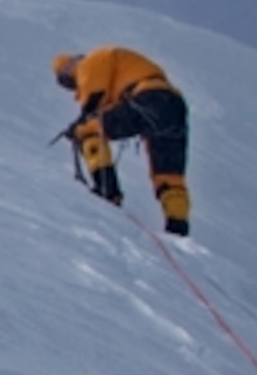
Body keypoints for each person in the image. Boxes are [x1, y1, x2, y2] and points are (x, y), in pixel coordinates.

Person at [55, 46, 191, 236]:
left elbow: (94, 98)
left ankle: (107, 189)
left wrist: (79, 125)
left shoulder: (91, 62)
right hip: (172, 105)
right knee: (168, 174)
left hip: (147, 98)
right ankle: (178, 224)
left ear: (69, 69)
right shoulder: (120, 65)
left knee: (87, 131)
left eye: (67, 81)